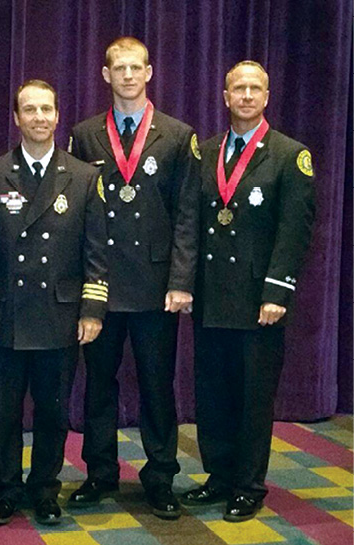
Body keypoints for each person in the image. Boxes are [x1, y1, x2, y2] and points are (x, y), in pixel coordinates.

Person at [68, 36, 200, 519]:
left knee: (156, 385)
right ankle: (100, 473)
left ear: (149, 73)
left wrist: (181, 280)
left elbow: (186, 214)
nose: (127, 76)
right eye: (118, 68)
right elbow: (77, 218)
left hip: (154, 287)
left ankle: (161, 476)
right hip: (100, 285)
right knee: (98, 384)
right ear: (105, 75)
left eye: (135, 67)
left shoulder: (177, 134)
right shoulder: (84, 135)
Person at [0, 79, 108, 526]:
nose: (39, 118)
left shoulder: (84, 176)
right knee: (6, 412)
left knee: (53, 411)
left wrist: (92, 309)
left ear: (58, 114)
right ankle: (7, 489)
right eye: (29, 110)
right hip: (7, 314)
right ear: (16, 118)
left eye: (46, 109)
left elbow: (96, 251)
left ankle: (46, 489)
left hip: (59, 313)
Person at [181, 60, 316, 522]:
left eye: (254, 88)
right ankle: (218, 476)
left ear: (267, 96)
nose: (245, 95)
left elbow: (294, 230)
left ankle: (248, 485)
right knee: (212, 393)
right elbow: (194, 222)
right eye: (238, 88)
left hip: (259, 301)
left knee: (253, 398)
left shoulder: (288, 154)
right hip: (212, 296)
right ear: (225, 95)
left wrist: (277, 292)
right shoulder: (208, 150)